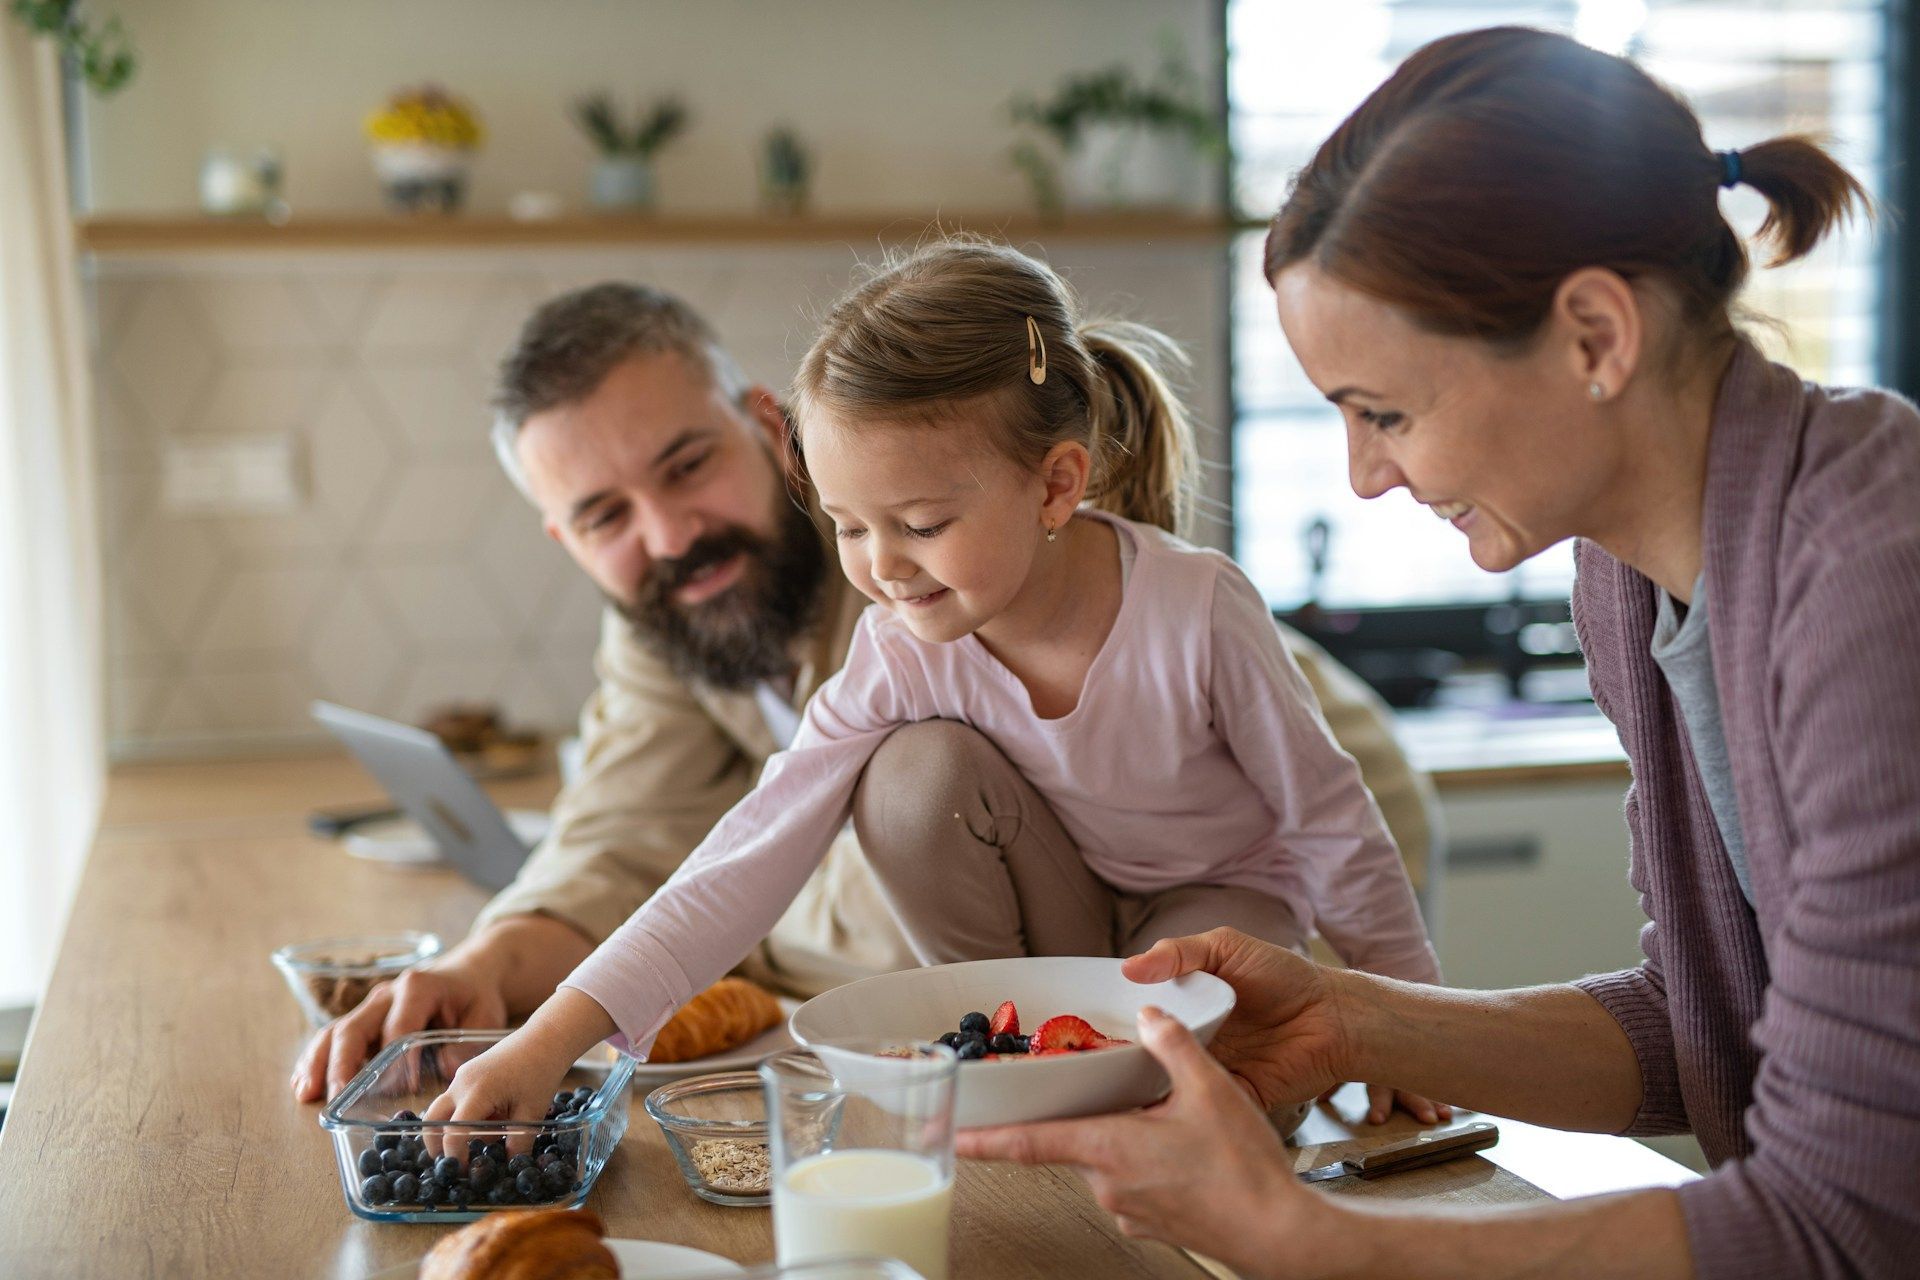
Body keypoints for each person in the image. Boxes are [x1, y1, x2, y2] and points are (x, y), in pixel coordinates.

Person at [960, 25, 1920, 1280]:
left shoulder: (1871, 581)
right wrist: (1352, 1018)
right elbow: (1717, 1028)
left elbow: (1849, 1218)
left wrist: (1305, 1237)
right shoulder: (1629, 576)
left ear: (1593, 334)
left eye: (1388, 411)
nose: (1364, 474)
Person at [291, 282, 1441, 1110]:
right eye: (606, 515)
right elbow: (704, 847)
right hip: (1065, 912)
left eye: (687, 466)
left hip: (1247, 887)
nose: (669, 533)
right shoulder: (836, 617)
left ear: (765, 429)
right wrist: (524, 1003)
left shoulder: (1126, 591)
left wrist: (1412, 1024)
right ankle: (1018, 1075)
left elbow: (1335, 806)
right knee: (909, 780)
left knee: (1201, 1078)